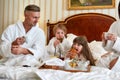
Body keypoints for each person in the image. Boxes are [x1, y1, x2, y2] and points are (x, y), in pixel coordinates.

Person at [96, 2, 120, 72]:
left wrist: (116, 40)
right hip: (115, 55)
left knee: (114, 64)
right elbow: (109, 49)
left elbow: (116, 41)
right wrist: (106, 40)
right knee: (100, 63)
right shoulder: (115, 24)